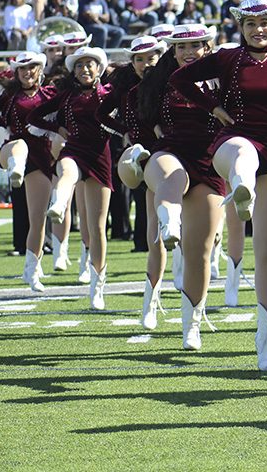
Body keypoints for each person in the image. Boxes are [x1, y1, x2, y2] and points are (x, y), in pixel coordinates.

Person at [169, 0, 267, 371]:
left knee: (266, 252)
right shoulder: (229, 58)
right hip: (234, 141)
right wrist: (213, 107)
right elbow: (179, 78)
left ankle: (265, 341)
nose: (257, 30)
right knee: (244, 154)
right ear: (240, 28)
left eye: (265, 22)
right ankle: (241, 187)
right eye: (250, 24)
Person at [134, 25, 223, 347]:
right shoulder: (161, 81)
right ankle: (169, 221)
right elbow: (139, 112)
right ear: (172, 51)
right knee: (174, 179)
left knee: (199, 252)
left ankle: (191, 324)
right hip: (169, 150)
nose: (188, 52)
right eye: (181, 47)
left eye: (196, 46)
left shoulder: (225, 77)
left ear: (208, 47)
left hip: (211, 161)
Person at [30, 47, 114, 310]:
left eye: (90, 65)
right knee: (66, 170)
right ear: (73, 71)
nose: (85, 70)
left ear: (99, 69)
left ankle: (97, 285)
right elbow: (35, 116)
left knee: (97, 227)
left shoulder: (109, 95)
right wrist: (58, 128)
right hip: (74, 148)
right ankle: (59, 201)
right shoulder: (66, 96)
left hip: (100, 157)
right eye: (79, 66)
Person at [95, 36, 168, 328]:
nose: (145, 63)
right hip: (145, 160)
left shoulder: (172, 82)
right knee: (155, 235)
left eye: (151, 57)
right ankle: (150, 301)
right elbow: (101, 114)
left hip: (178, 154)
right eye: (139, 58)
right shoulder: (124, 90)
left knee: (196, 235)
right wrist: (124, 132)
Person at [0, 52, 55, 292]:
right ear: (16, 73)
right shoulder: (10, 96)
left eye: (31, 68)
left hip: (40, 157)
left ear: (40, 70)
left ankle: (31, 269)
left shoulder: (49, 95)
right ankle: (16, 168)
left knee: (38, 218)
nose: (27, 73)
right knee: (20, 145)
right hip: (12, 149)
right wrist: (5, 124)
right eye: (22, 69)